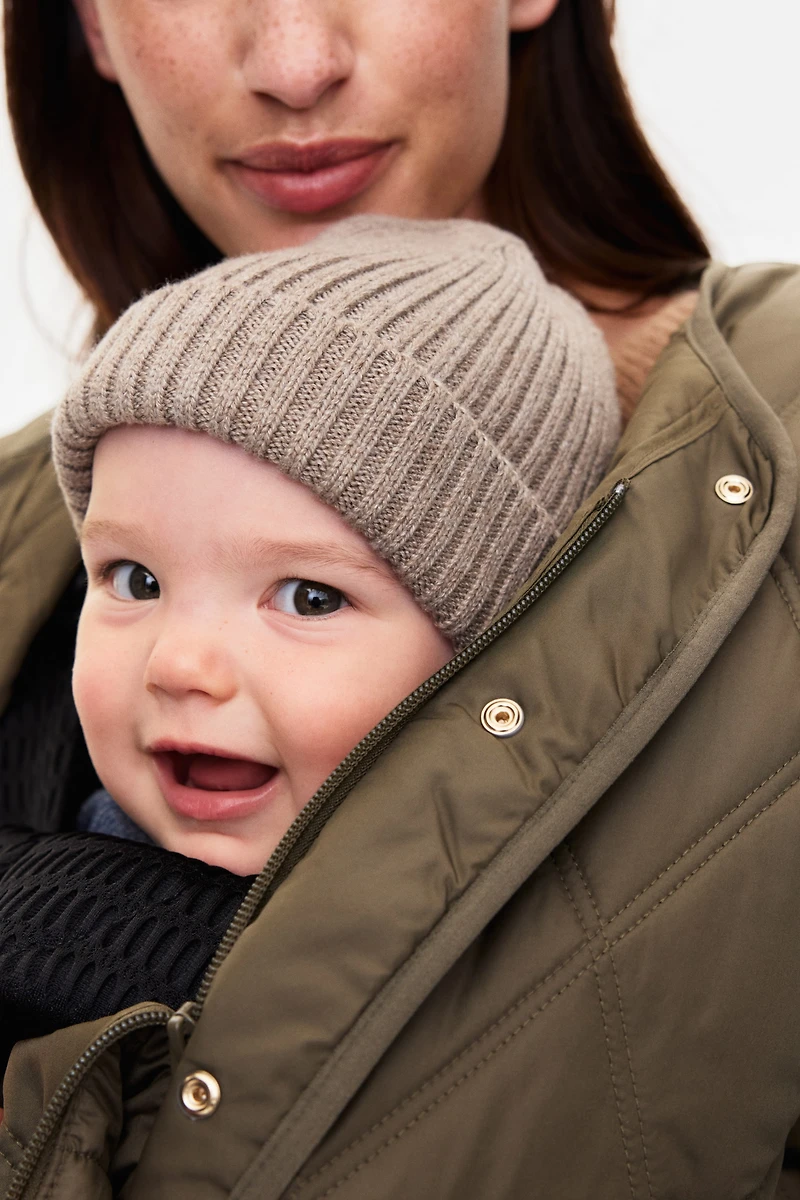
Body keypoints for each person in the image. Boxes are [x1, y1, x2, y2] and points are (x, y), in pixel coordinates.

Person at [1, 0, 799, 1196]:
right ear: (92, 28)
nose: (294, 66)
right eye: (137, 580)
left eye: (311, 598)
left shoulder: (771, 430)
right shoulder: (20, 513)